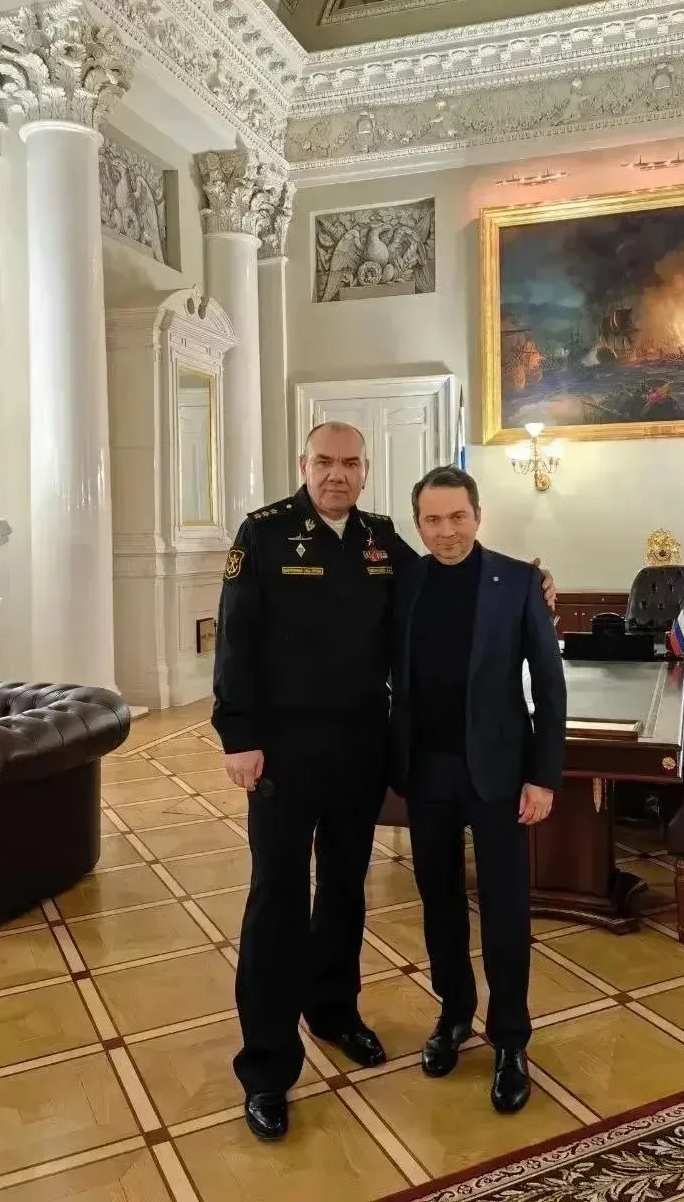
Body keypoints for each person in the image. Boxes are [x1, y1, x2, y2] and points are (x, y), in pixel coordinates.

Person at [213, 422, 557, 1142]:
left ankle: (334, 1012)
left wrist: (528, 581)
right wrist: (237, 734)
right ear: (304, 464)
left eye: (350, 463)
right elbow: (235, 638)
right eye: (324, 462)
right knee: (278, 899)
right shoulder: (264, 533)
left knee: (345, 891)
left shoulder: (380, 539)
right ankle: (267, 1067)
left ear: (366, 471)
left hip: (362, 751)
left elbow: (450, 571)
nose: (336, 474)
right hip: (283, 755)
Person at [389, 465, 566, 1113]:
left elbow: (549, 685)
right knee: (438, 902)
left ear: (478, 516)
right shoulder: (403, 582)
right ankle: (454, 1013)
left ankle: (510, 1039)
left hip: (498, 774)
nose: (447, 531)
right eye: (433, 520)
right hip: (426, 772)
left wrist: (543, 775)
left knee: (505, 908)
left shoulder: (517, 582)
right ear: (418, 525)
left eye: (457, 517)